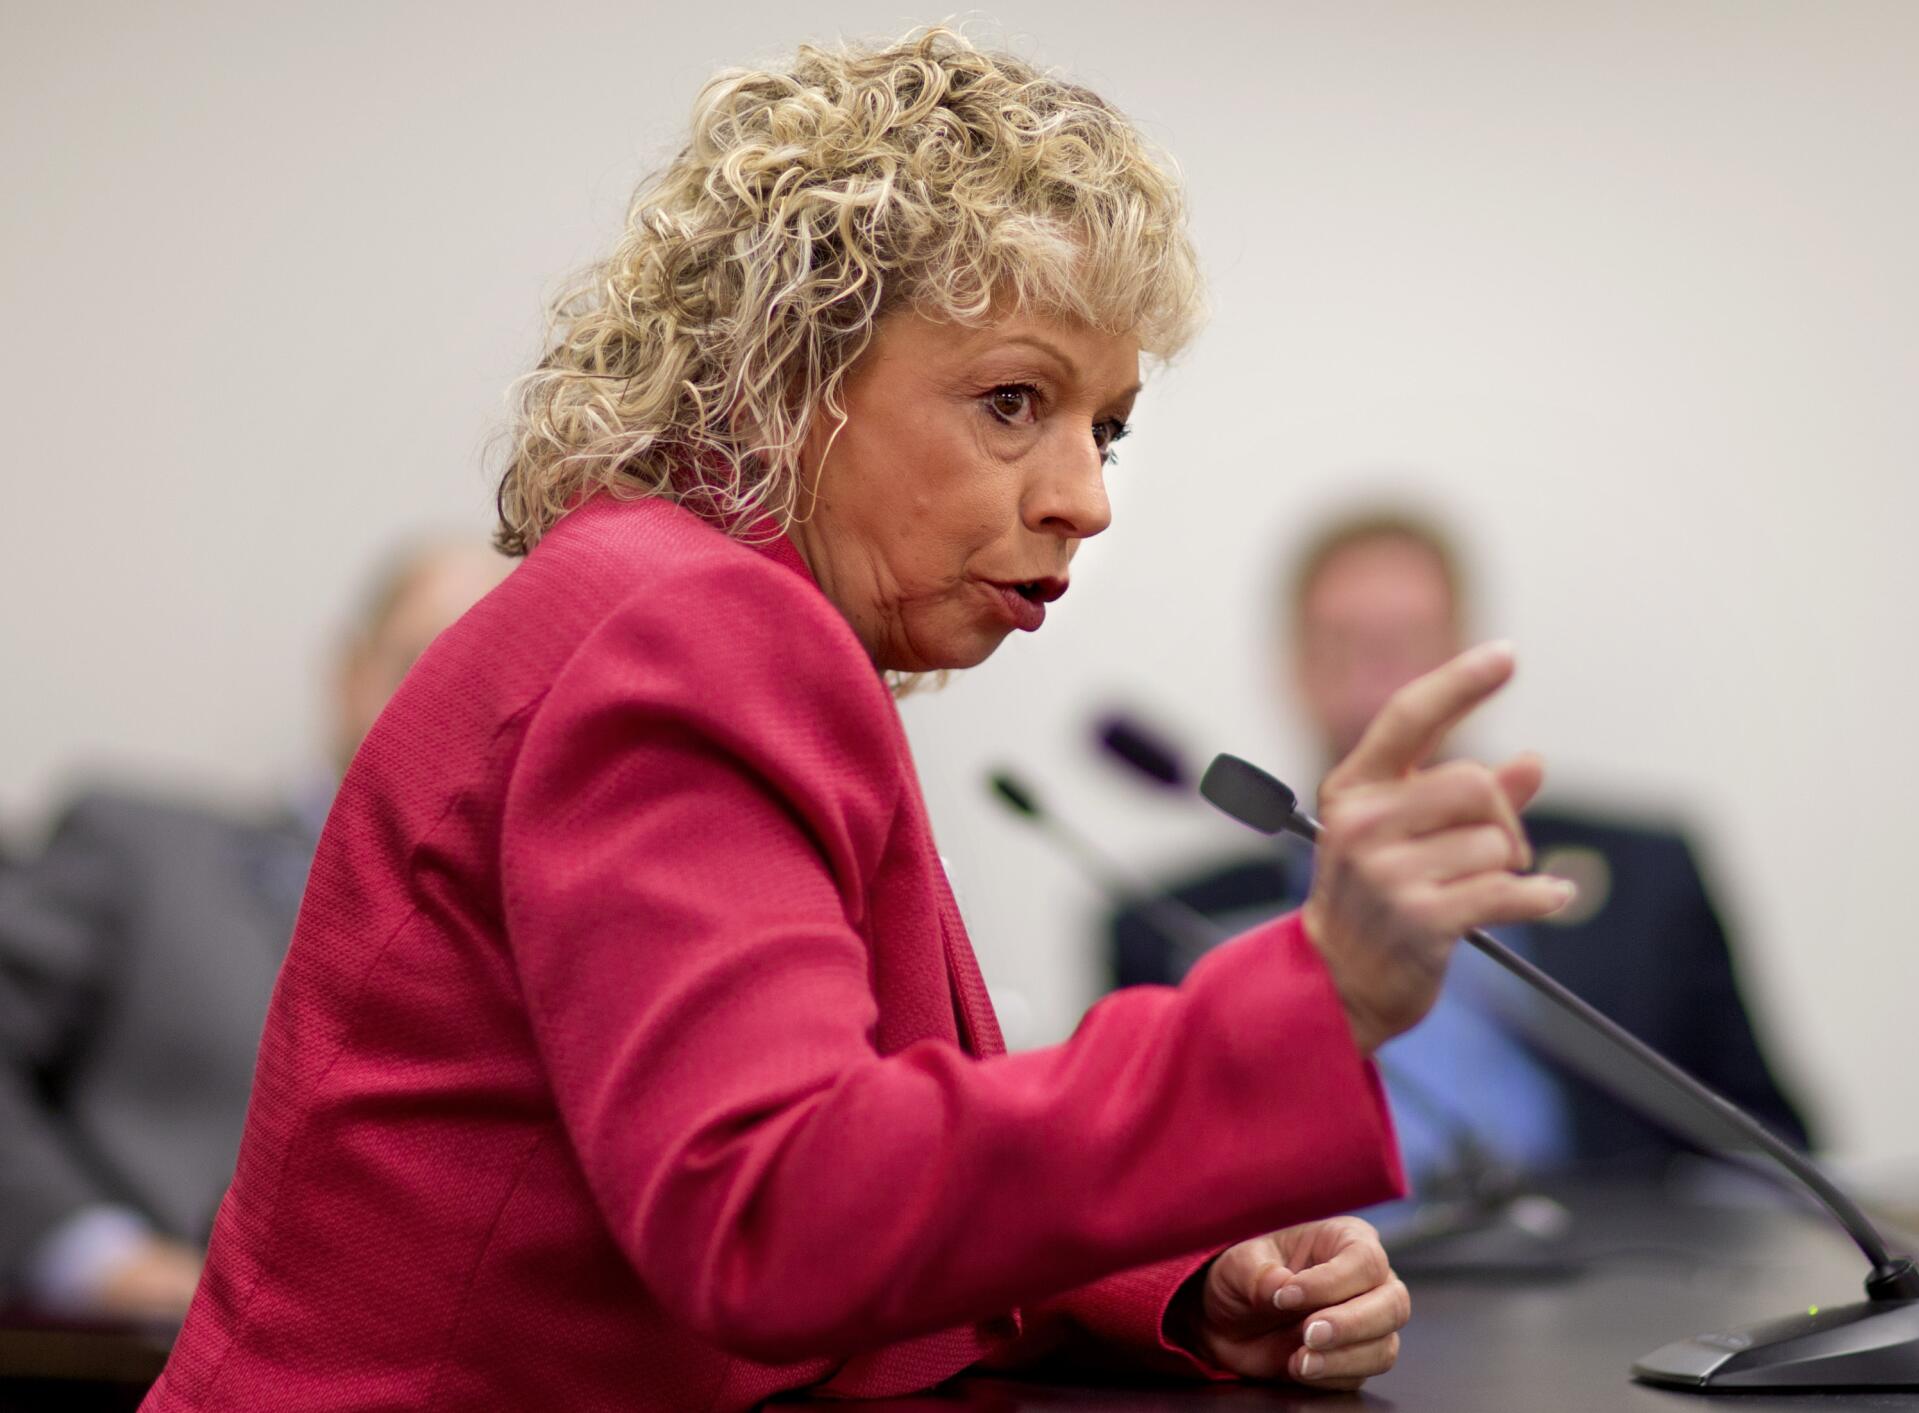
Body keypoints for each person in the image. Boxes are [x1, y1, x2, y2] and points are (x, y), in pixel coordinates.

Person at [141, 32, 1578, 1411]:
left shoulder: (690, 603)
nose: (1086, 496)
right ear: (790, 378)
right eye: (1014, 401)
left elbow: (868, 1142)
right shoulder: (687, 632)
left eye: (1108, 425)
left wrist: (1185, 1280)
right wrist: (1313, 995)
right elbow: (771, 1210)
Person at [1110, 509, 1811, 1188]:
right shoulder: (1165, 924)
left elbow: (1771, 1154)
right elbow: (1137, 1192)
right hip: (1312, 1292)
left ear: (1464, 653)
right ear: (1294, 667)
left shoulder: (1645, 873)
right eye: (1342, 643)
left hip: (1607, 1275)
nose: (1377, 678)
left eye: (1406, 641)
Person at [0, 538, 507, 1322]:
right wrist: (102, 1259)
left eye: (497, 695)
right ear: (351, 674)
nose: (457, 718)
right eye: (427, 666)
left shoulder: (549, 957)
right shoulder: (145, 855)